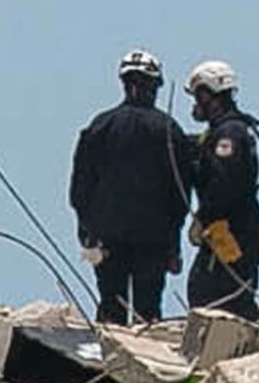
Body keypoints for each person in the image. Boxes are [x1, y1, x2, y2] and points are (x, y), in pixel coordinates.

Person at [70, 50, 190, 325]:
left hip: (107, 237)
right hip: (153, 240)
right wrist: (173, 243)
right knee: (148, 314)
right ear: (156, 85)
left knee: (111, 308)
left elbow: (80, 188)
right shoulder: (168, 130)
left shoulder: (100, 126)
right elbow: (180, 195)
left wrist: (86, 230)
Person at [177, 60, 259, 316]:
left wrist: (204, 217)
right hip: (232, 231)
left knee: (215, 297)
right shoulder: (227, 131)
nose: (196, 103)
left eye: (198, 96)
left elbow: (225, 183)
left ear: (211, 95)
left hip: (231, 232)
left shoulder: (229, 133)